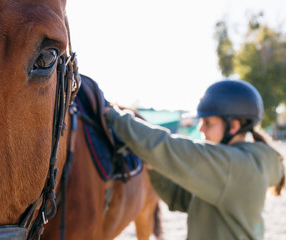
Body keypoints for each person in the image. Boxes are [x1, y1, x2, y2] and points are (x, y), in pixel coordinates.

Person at [104, 79, 285, 240]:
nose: (200, 129)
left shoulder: (234, 166)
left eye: (208, 123)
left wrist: (112, 115)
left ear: (234, 126)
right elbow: (182, 199)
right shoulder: (243, 164)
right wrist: (153, 167)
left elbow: (166, 146)